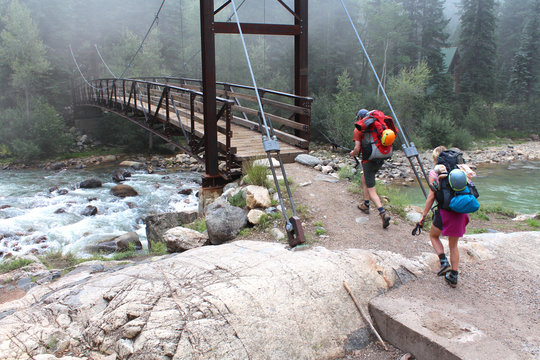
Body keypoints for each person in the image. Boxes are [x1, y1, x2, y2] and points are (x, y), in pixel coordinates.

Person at [419, 145, 470, 288]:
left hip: (444, 212)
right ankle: (453, 277)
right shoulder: (459, 169)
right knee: (453, 245)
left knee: (434, 236)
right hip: (460, 211)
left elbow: (431, 197)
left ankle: (443, 261)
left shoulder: (435, 172)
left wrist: (423, 216)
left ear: (436, 158)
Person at [349, 109, 392, 229]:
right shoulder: (376, 126)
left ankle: (383, 213)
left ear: (359, 118)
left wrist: (352, 153)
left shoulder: (359, 128)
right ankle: (366, 204)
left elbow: (357, 149)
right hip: (380, 158)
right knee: (365, 179)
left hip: (368, 160)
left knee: (371, 188)